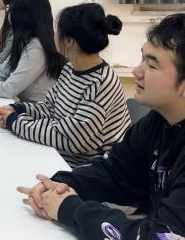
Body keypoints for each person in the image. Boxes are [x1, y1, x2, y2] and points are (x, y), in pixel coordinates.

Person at [17, 14, 185, 239]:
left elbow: (159, 236)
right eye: (142, 59)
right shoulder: (160, 120)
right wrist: (59, 184)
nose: (137, 71)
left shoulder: (102, 81)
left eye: (152, 65)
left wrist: (68, 207)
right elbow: (115, 172)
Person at [0, 3, 131, 167]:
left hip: (92, 170)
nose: (54, 35)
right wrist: (18, 109)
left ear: (69, 41)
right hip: (60, 158)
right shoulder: (69, 69)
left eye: (57, 30)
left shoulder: (102, 82)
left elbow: (73, 140)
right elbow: (49, 108)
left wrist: (15, 122)